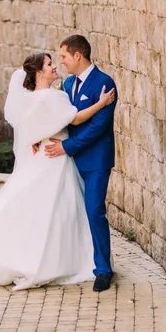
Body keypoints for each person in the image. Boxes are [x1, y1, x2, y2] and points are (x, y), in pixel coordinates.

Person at [0, 52, 115, 291]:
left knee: (37, 210)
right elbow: (75, 120)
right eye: (49, 64)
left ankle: (22, 256)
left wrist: (38, 138)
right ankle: (54, 260)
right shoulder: (53, 96)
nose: (55, 66)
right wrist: (102, 102)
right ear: (38, 73)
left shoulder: (32, 97)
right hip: (56, 158)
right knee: (58, 212)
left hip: (46, 155)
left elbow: (30, 127)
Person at [45, 35, 117, 292]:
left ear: (78, 55)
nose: (61, 61)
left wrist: (66, 147)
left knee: (95, 211)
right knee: (70, 214)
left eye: (63, 56)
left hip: (96, 161)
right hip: (69, 162)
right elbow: (64, 118)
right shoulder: (68, 83)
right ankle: (78, 262)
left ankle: (104, 270)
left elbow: (98, 127)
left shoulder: (104, 83)